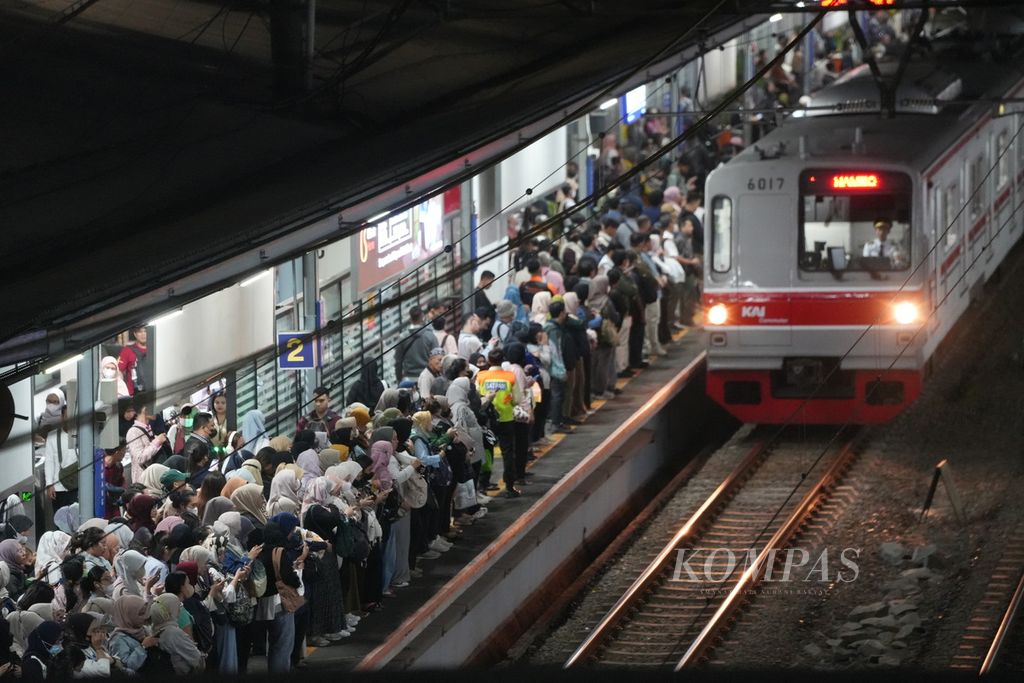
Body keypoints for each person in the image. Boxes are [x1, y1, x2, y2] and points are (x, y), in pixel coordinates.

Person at [43, 399, 77, 510]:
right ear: (62, 418)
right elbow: (49, 461)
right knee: (60, 519)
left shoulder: (82, 434)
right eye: (67, 416)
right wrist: (49, 484)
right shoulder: (53, 436)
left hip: (78, 485)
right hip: (59, 487)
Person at [394, 306, 438, 384]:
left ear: (410, 319)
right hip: (427, 378)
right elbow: (437, 358)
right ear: (422, 317)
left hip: (408, 379)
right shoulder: (430, 336)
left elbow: (398, 361)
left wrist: (399, 379)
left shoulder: (402, 337)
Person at [117, 326, 149, 397]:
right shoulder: (127, 350)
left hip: (152, 393)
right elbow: (119, 371)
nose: (143, 334)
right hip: (133, 395)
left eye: (145, 331)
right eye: (140, 332)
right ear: (135, 334)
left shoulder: (156, 348)